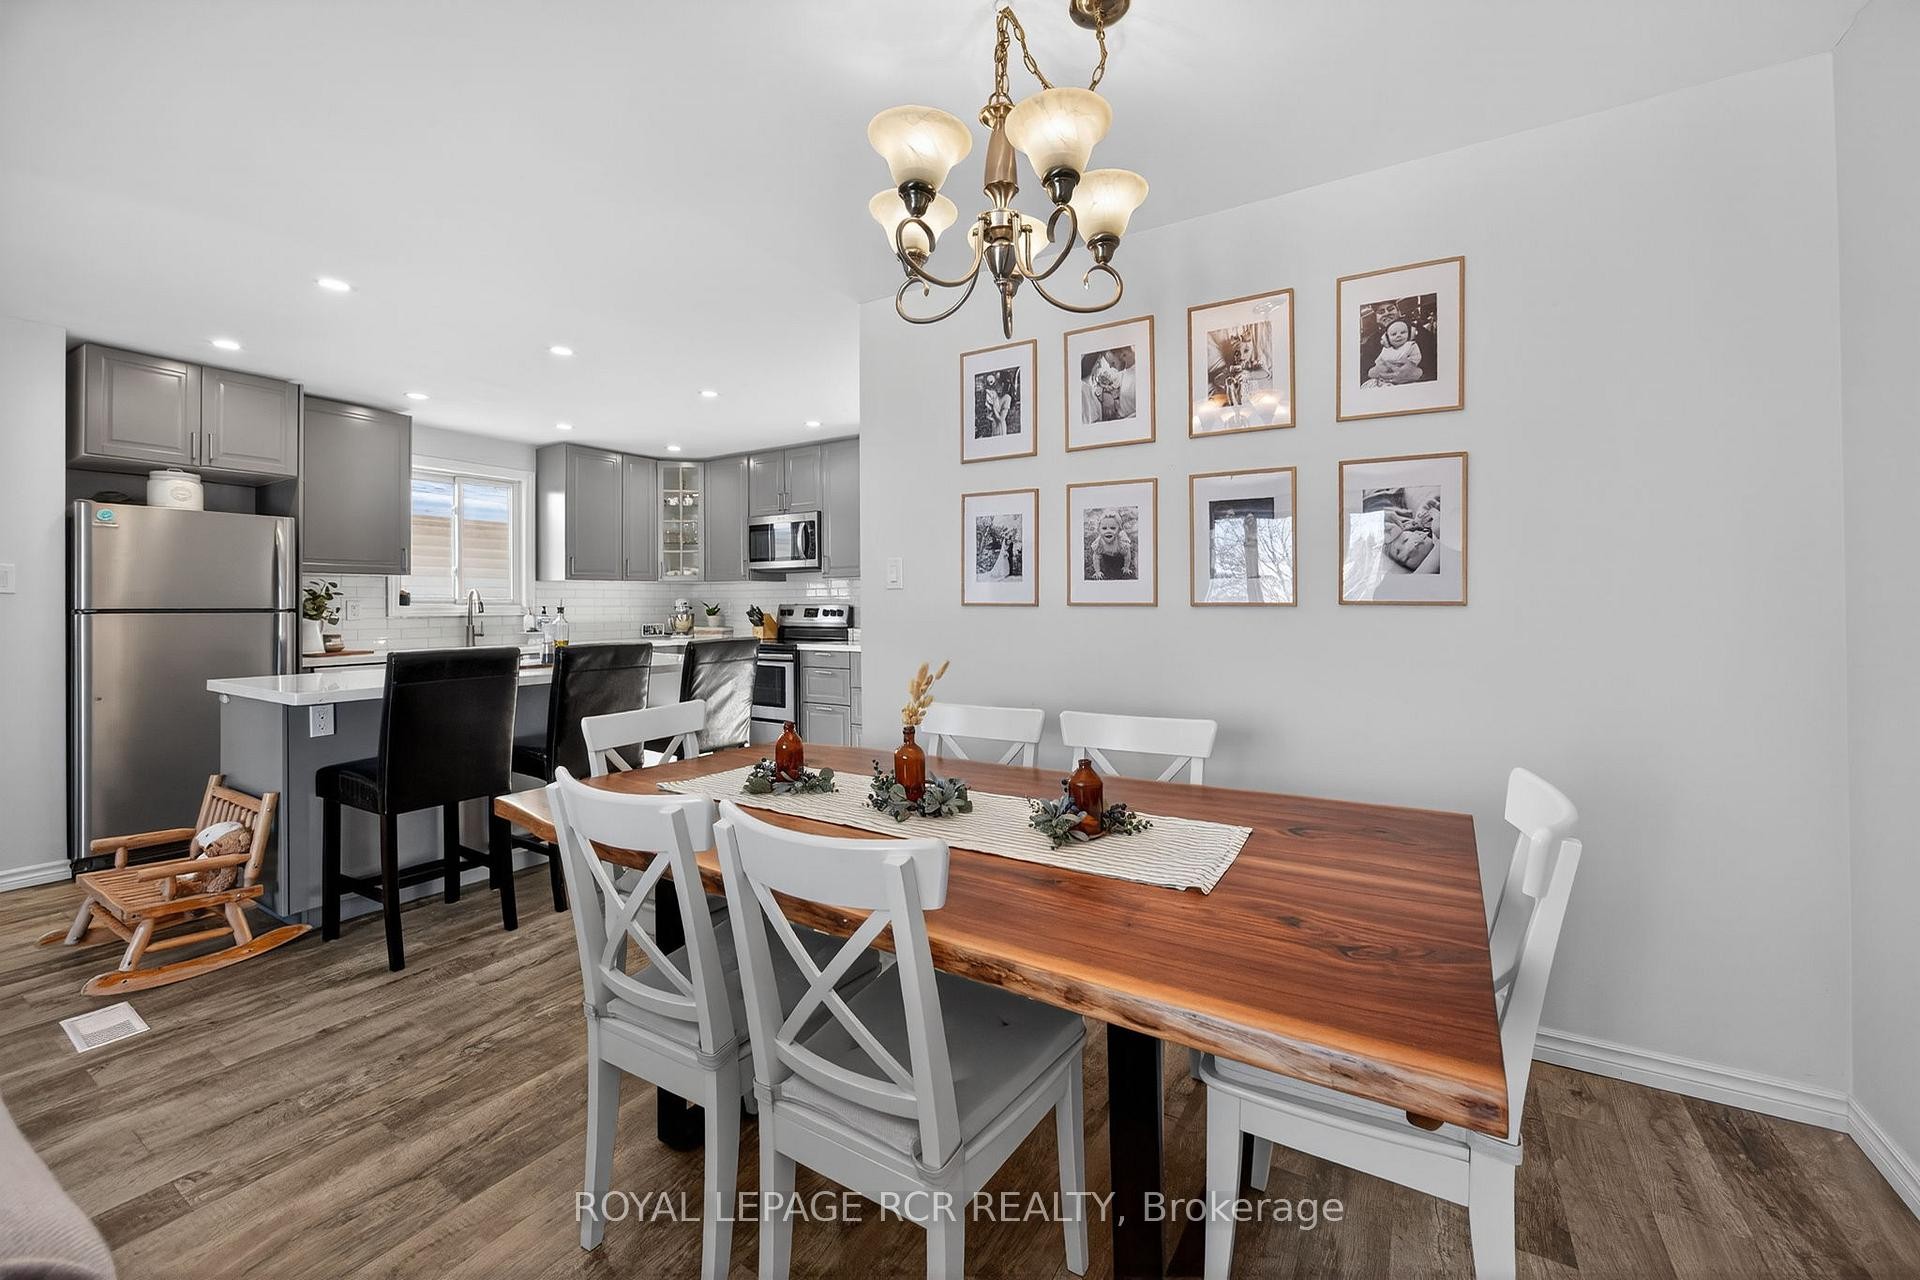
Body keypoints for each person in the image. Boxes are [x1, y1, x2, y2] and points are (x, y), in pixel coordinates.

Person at [1365, 317, 1424, 386]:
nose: (1398, 335)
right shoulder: (1386, 349)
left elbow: (1416, 357)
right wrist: (1377, 369)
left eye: (1403, 332)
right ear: (1386, 339)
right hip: (1385, 379)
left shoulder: (1411, 345)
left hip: (1407, 379)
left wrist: (1411, 366)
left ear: (1410, 334)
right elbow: (1379, 361)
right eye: (1394, 334)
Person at [1085, 510, 1136, 580]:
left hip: (1118, 545)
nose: (1108, 531)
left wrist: (1126, 567)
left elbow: (1127, 554)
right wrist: (1097, 571)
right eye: (1104, 528)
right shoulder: (1099, 544)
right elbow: (1096, 557)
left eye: (1113, 528)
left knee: (1126, 549)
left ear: (1119, 530)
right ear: (1099, 530)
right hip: (1105, 549)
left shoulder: (1121, 544)